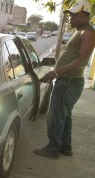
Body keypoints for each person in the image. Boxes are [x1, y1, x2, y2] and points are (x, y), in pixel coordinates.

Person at [34, 0, 95, 159]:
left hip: (68, 83)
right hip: (68, 81)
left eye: (74, 15)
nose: (70, 18)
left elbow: (82, 60)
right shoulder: (80, 31)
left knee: (55, 117)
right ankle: (65, 147)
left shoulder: (87, 33)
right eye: (70, 15)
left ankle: (52, 149)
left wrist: (56, 73)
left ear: (84, 15)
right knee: (65, 117)